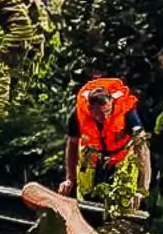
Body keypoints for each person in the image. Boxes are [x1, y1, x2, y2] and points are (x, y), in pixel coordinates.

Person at [60, 78, 153, 206]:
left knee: (123, 199)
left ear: (111, 103)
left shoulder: (127, 113)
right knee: (87, 196)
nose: (105, 117)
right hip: (92, 157)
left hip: (121, 157)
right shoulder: (77, 115)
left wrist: (142, 189)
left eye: (107, 111)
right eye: (99, 114)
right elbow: (72, 145)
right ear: (90, 109)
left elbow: (142, 147)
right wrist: (70, 179)